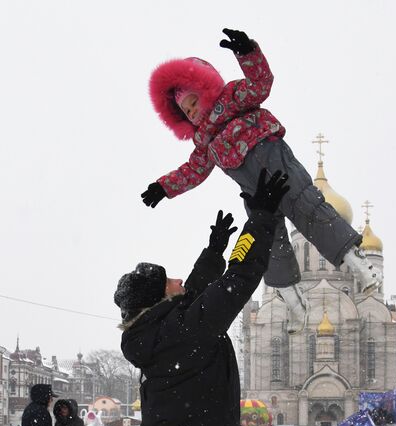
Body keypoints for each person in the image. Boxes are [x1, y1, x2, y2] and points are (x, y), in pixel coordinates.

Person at [143, 28, 382, 333]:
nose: (192, 112)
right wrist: (164, 186)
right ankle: (290, 297)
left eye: (193, 102)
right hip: (254, 188)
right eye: (186, 112)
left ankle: (353, 259)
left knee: (306, 205)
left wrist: (247, 53)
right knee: (267, 236)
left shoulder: (232, 98)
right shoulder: (204, 142)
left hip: (275, 162)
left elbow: (261, 84)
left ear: (204, 90)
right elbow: (192, 171)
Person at [115, 169, 289, 426]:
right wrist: (260, 220)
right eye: (168, 282)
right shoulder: (183, 329)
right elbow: (239, 280)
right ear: (159, 300)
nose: (178, 281)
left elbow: (193, 293)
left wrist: (213, 252)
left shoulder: (159, 331)